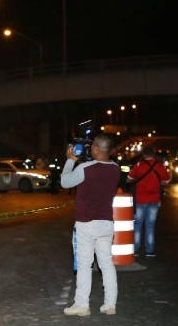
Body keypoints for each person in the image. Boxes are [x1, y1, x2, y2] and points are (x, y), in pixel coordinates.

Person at [60, 134, 120, 316]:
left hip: (86, 223)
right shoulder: (116, 169)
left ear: (95, 148)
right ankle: (110, 304)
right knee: (107, 264)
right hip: (106, 223)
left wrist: (70, 160)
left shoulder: (85, 168)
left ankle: (82, 305)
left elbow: (65, 181)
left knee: (84, 264)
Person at [126, 146, 171, 257]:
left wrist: (136, 179)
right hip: (154, 200)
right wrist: (158, 182)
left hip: (140, 200)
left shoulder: (138, 165)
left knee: (138, 225)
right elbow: (167, 182)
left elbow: (128, 179)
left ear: (144, 155)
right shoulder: (160, 167)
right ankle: (149, 251)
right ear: (154, 155)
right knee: (150, 226)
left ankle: (135, 250)